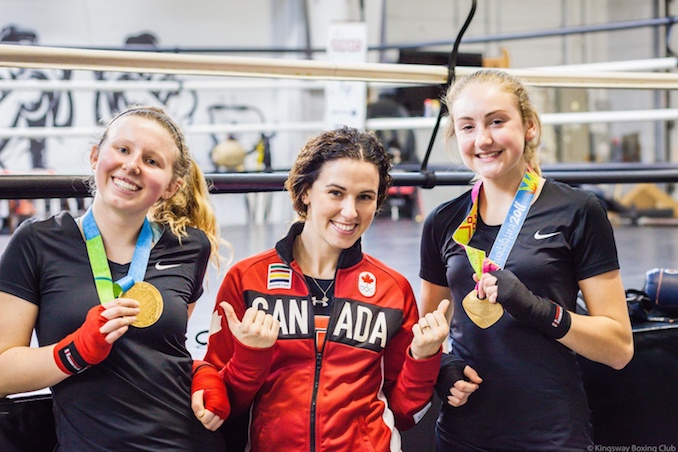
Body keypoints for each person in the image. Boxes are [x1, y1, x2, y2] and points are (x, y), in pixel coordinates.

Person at [419, 69, 634, 451]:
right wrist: (440, 367)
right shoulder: (443, 222)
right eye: (467, 127)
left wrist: (537, 309)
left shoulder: (577, 210)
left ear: (529, 126)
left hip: (550, 434)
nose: (482, 139)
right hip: (463, 434)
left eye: (497, 122)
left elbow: (618, 349)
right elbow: (426, 330)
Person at [203, 126, 449, 451]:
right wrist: (251, 354)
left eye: (365, 197)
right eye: (336, 193)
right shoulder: (247, 280)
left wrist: (423, 356)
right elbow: (222, 406)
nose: (350, 212)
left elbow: (405, 413)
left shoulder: (393, 289)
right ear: (305, 191)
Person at [0, 105, 231, 451]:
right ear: (95, 157)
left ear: (171, 186)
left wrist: (202, 372)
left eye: (152, 161)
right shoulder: (37, 242)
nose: (132, 165)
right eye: (122, 149)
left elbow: (164, 351)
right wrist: (74, 351)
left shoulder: (189, 246)